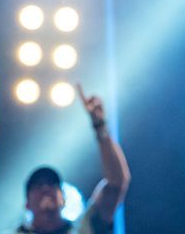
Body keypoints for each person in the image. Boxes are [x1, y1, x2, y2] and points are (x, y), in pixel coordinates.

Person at [18, 85, 131, 234]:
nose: (45, 189)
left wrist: (100, 127)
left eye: (52, 185)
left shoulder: (85, 229)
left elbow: (117, 182)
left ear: (63, 199)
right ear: (27, 204)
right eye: (37, 186)